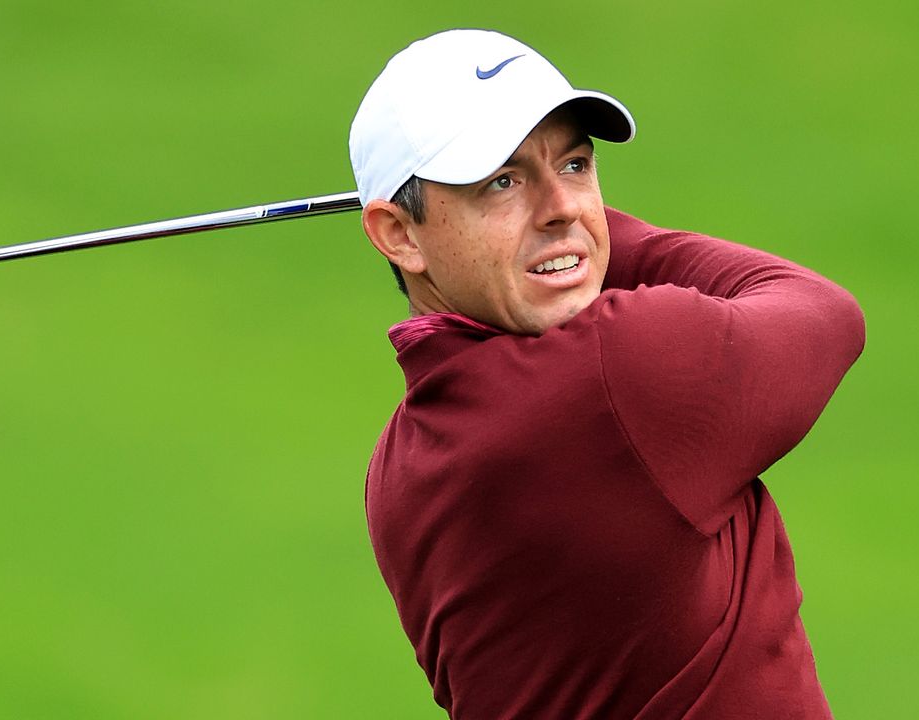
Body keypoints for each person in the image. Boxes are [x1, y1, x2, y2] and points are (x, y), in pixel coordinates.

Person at [350, 29, 865, 719]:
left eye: (574, 165)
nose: (561, 205)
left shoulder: (398, 467)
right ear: (399, 235)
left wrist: (546, 243)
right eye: (502, 181)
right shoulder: (622, 372)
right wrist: (584, 242)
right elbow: (823, 313)